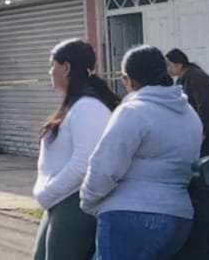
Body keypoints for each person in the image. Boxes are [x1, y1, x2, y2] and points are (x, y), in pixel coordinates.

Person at [80, 45, 202, 260]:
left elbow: (105, 168)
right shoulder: (189, 113)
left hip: (130, 215)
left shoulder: (133, 112)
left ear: (127, 79)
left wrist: (88, 200)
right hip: (179, 217)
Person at [33, 39, 120, 260]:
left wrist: (48, 192)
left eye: (52, 65)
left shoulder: (88, 107)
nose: (50, 71)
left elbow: (85, 163)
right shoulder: (77, 103)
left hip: (74, 201)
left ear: (66, 67)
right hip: (60, 200)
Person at [164, 49, 209, 156]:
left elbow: (205, 105)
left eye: (169, 65)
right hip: (207, 126)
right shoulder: (182, 80)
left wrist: (202, 131)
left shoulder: (195, 76)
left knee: (205, 159)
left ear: (179, 64)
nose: (167, 69)